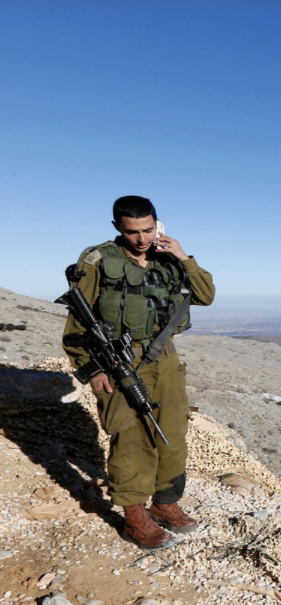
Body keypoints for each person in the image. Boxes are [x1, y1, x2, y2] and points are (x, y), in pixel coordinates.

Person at [61, 195, 215, 549]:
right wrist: (91, 369)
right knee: (131, 436)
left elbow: (206, 295)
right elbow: (77, 319)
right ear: (117, 227)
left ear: (157, 224)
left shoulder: (168, 258)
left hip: (165, 359)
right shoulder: (99, 259)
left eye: (147, 229)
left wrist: (182, 255)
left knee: (173, 431)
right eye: (133, 232)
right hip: (118, 361)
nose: (142, 239)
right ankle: (134, 516)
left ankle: (164, 503)